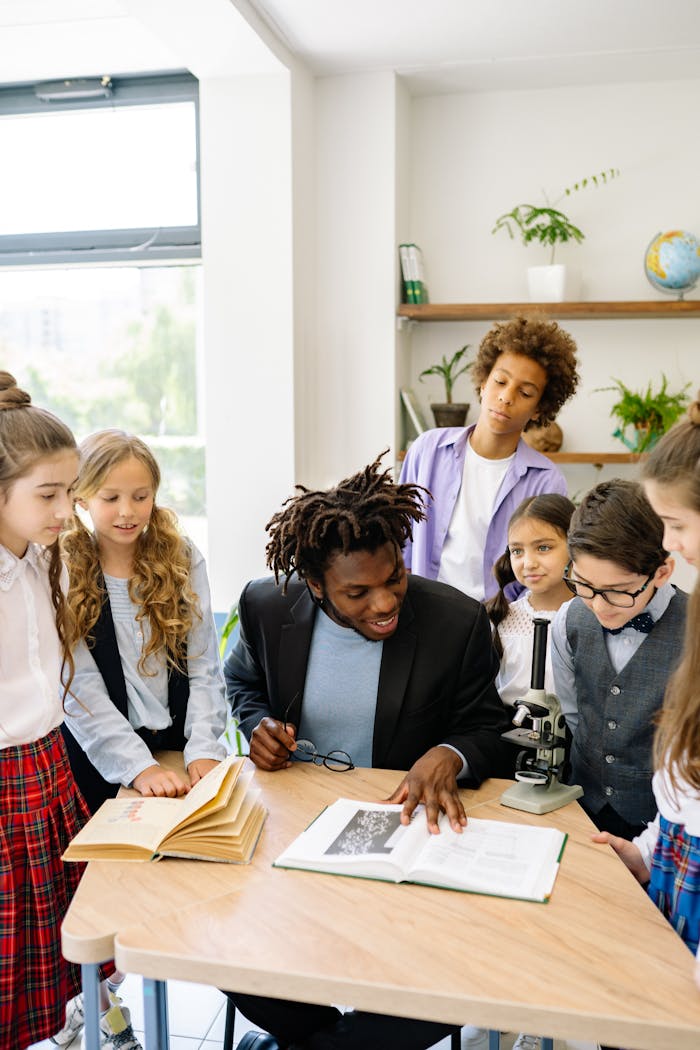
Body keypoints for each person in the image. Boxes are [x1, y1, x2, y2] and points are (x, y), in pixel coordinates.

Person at [224, 453, 510, 1050]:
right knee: (231, 952)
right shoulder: (265, 606)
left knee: (460, 982)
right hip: (292, 832)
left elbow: (489, 727)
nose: (384, 603)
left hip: (405, 840)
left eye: (394, 579)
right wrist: (257, 724)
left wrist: (450, 752)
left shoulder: (455, 621)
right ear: (314, 584)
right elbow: (243, 685)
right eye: (358, 592)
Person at [57, 429, 227, 1049]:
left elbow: (207, 664)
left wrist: (206, 747)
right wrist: (134, 766)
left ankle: (143, 988)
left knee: (178, 885)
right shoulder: (64, 564)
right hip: (101, 757)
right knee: (102, 892)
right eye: (110, 498)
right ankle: (99, 1009)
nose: (127, 512)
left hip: (180, 748)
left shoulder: (181, 555)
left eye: (140, 496)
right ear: (79, 498)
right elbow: (75, 687)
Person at [591, 393, 700, 987]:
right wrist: (649, 851)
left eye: (679, 525)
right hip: (675, 865)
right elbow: (687, 781)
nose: (672, 544)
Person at [0, 372, 87, 1050]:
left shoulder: (41, 560)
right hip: (5, 782)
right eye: (48, 494)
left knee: (48, 958)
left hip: (47, 767)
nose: (66, 510)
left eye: (69, 492)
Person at [399, 315, 580, 601]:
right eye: (500, 381)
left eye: (525, 392)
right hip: (423, 613)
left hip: (497, 626)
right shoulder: (427, 450)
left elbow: (543, 571)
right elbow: (402, 542)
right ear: (483, 382)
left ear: (538, 408)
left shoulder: (545, 480)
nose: (506, 397)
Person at [551, 478, 687, 841]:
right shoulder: (568, 620)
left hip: (668, 827)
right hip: (583, 808)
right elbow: (575, 715)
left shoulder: (695, 633)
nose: (596, 604)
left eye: (618, 592)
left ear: (662, 572)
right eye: (583, 584)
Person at [485, 493, 575, 707]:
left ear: (575, 545)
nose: (529, 563)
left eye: (543, 548)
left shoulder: (594, 616)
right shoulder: (501, 620)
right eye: (517, 551)